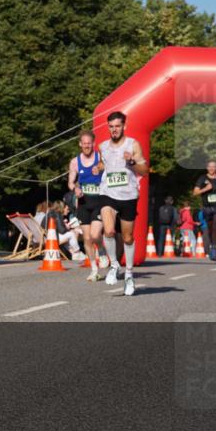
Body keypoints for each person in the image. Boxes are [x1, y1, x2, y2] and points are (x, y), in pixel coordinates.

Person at [96, 111, 148, 296]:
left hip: (128, 195)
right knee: (108, 230)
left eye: (117, 126)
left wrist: (132, 161)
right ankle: (114, 264)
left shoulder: (132, 144)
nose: (114, 129)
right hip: (107, 193)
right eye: (111, 126)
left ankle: (129, 275)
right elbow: (106, 165)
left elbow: (144, 169)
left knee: (127, 238)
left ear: (124, 126)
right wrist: (98, 168)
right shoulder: (102, 146)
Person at [67, 130, 109, 281]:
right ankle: (94, 269)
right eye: (84, 143)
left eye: (89, 143)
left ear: (93, 144)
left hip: (99, 201)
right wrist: (75, 188)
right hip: (84, 203)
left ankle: (102, 250)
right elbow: (70, 182)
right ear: (80, 144)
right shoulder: (74, 162)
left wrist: (101, 168)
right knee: (86, 238)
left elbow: (110, 169)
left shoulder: (100, 158)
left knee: (95, 235)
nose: (86, 146)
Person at [192, 160, 216, 261]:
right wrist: (206, 189)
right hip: (207, 208)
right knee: (210, 228)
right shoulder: (202, 179)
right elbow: (195, 193)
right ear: (207, 168)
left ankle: (213, 248)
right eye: (210, 166)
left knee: (215, 225)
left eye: (214, 167)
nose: (212, 168)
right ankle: (215, 245)